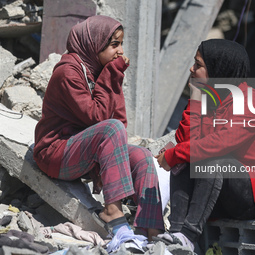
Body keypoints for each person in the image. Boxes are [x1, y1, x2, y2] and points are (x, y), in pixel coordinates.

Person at [33, 15, 164, 248]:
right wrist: (112, 74)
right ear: (94, 43)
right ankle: (113, 213)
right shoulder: (68, 72)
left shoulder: (97, 69)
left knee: (142, 157)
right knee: (110, 129)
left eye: (121, 44)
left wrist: (114, 77)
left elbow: (118, 120)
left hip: (82, 151)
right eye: (114, 45)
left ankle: (151, 231)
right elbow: (98, 117)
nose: (120, 51)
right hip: (54, 153)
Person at [156, 39, 255, 251]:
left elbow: (216, 146)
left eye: (198, 64)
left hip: (254, 195)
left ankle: (188, 235)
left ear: (219, 68)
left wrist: (173, 153)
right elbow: (187, 141)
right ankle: (176, 233)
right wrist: (195, 96)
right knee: (188, 158)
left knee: (212, 159)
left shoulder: (250, 102)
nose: (191, 69)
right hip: (216, 191)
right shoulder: (208, 97)